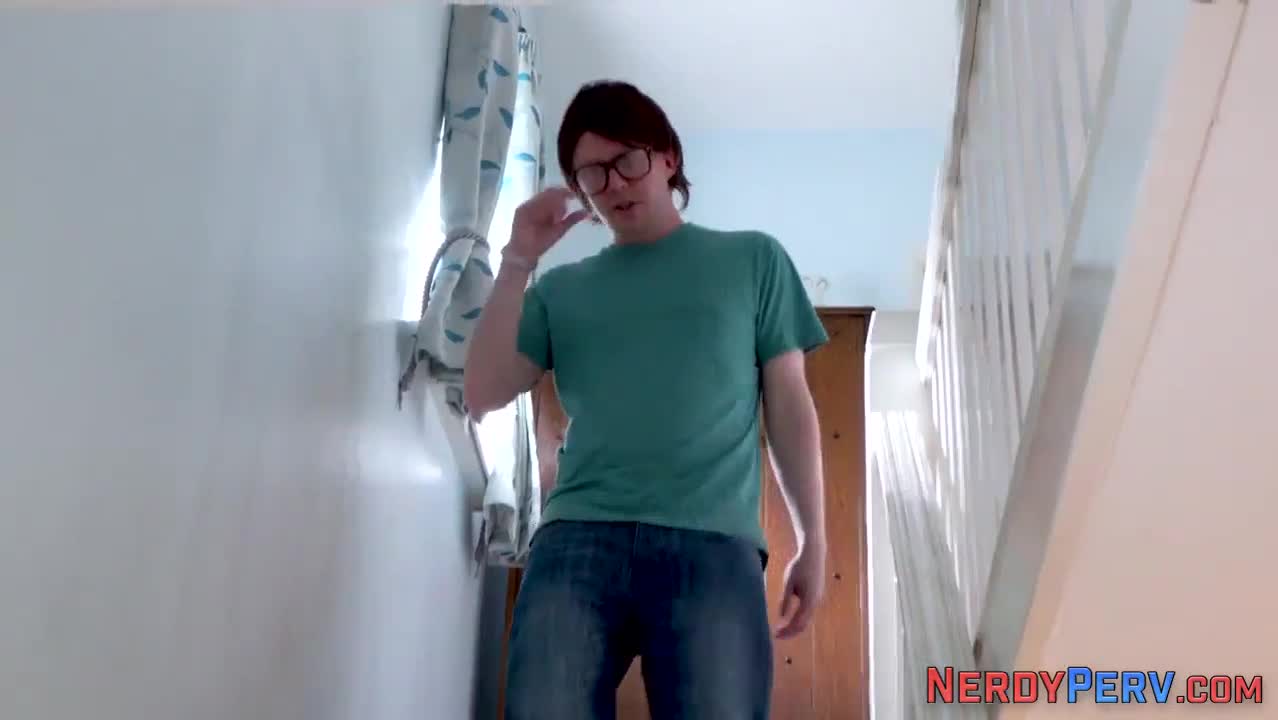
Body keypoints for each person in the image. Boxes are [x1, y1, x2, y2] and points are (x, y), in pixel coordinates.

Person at [464, 80, 828, 720]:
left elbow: (789, 403)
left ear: (666, 158)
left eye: (627, 160)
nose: (614, 185)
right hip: (578, 539)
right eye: (592, 174)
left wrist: (813, 537)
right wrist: (518, 258)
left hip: (712, 545)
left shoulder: (753, 260)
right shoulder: (560, 290)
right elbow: (481, 391)